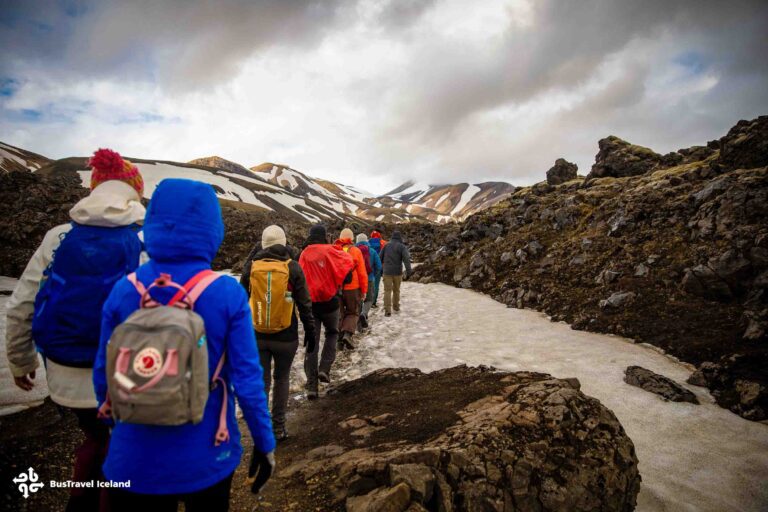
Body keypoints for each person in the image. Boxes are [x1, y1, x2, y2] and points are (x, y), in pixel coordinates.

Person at [93, 179, 276, 510]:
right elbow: (248, 382)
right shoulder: (227, 293)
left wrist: (118, 427)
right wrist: (264, 443)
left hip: (132, 459)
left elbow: (102, 375)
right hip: (207, 453)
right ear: (212, 229)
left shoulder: (124, 289)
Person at [6, 148, 145, 511]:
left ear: (94, 188)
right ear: (134, 192)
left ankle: (79, 500)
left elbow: (21, 304)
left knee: (94, 438)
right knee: (119, 448)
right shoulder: (143, 241)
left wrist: (21, 360)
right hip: (120, 376)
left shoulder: (59, 237)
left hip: (64, 371)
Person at [241, 225, 315, 440]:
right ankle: (278, 427)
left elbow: (240, 301)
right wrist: (310, 331)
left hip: (257, 334)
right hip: (286, 335)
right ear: (283, 243)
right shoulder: (292, 267)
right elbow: (304, 303)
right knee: (282, 379)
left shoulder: (251, 267)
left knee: (262, 381)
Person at [299, 224, 354, 395]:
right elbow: (348, 273)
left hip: (310, 305)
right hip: (330, 303)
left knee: (312, 341)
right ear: (324, 236)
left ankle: (311, 386)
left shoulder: (304, 253)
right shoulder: (331, 251)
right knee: (332, 333)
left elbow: (298, 277)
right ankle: (324, 368)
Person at [333, 228, 368, 349]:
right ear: (352, 238)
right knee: (353, 312)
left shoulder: (333, 250)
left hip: (337, 287)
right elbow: (362, 273)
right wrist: (364, 290)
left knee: (340, 313)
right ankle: (347, 334)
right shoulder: (356, 251)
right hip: (353, 287)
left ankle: (339, 340)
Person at [379, 230, 413, 317]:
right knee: (396, 290)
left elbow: (380, 258)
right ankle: (396, 307)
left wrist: (381, 269)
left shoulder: (386, 245)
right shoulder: (402, 247)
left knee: (387, 291)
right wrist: (409, 271)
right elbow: (406, 259)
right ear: (399, 237)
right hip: (397, 272)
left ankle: (387, 310)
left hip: (387, 272)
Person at [356, 233, 382, 330]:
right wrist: (373, 275)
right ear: (366, 240)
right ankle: (364, 313)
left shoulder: (353, 251)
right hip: (369, 279)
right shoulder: (372, 251)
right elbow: (379, 266)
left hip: (357, 281)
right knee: (369, 299)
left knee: (359, 302)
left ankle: (359, 327)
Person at [368, 231, 387, 308]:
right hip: (378, 267)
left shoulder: (367, 243)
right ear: (379, 236)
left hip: (368, 267)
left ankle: (367, 301)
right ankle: (373, 302)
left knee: (368, 285)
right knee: (376, 285)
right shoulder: (383, 243)